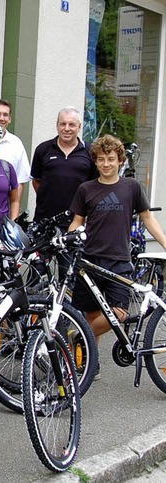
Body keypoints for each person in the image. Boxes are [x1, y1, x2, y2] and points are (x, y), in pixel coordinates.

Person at [68, 135, 166, 373]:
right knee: (92, 314)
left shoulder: (131, 187)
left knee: (118, 314)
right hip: (89, 260)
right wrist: (70, 239)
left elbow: (147, 218)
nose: (106, 164)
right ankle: (90, 364)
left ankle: (78, 338)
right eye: (101, 159)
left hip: (119, 260)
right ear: (96, 161)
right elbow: (77, 222)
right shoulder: (86, 189)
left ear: (120, 160)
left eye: (111, 159)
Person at [31, 106, 98, 227]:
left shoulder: (90, 152)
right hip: (45, 221)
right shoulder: (43, 149)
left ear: (79, 127)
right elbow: (36, 181)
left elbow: (94, 186)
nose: (66, 129)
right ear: (57, 125)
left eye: (72, 125)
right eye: (63, 124)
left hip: (77, 222)